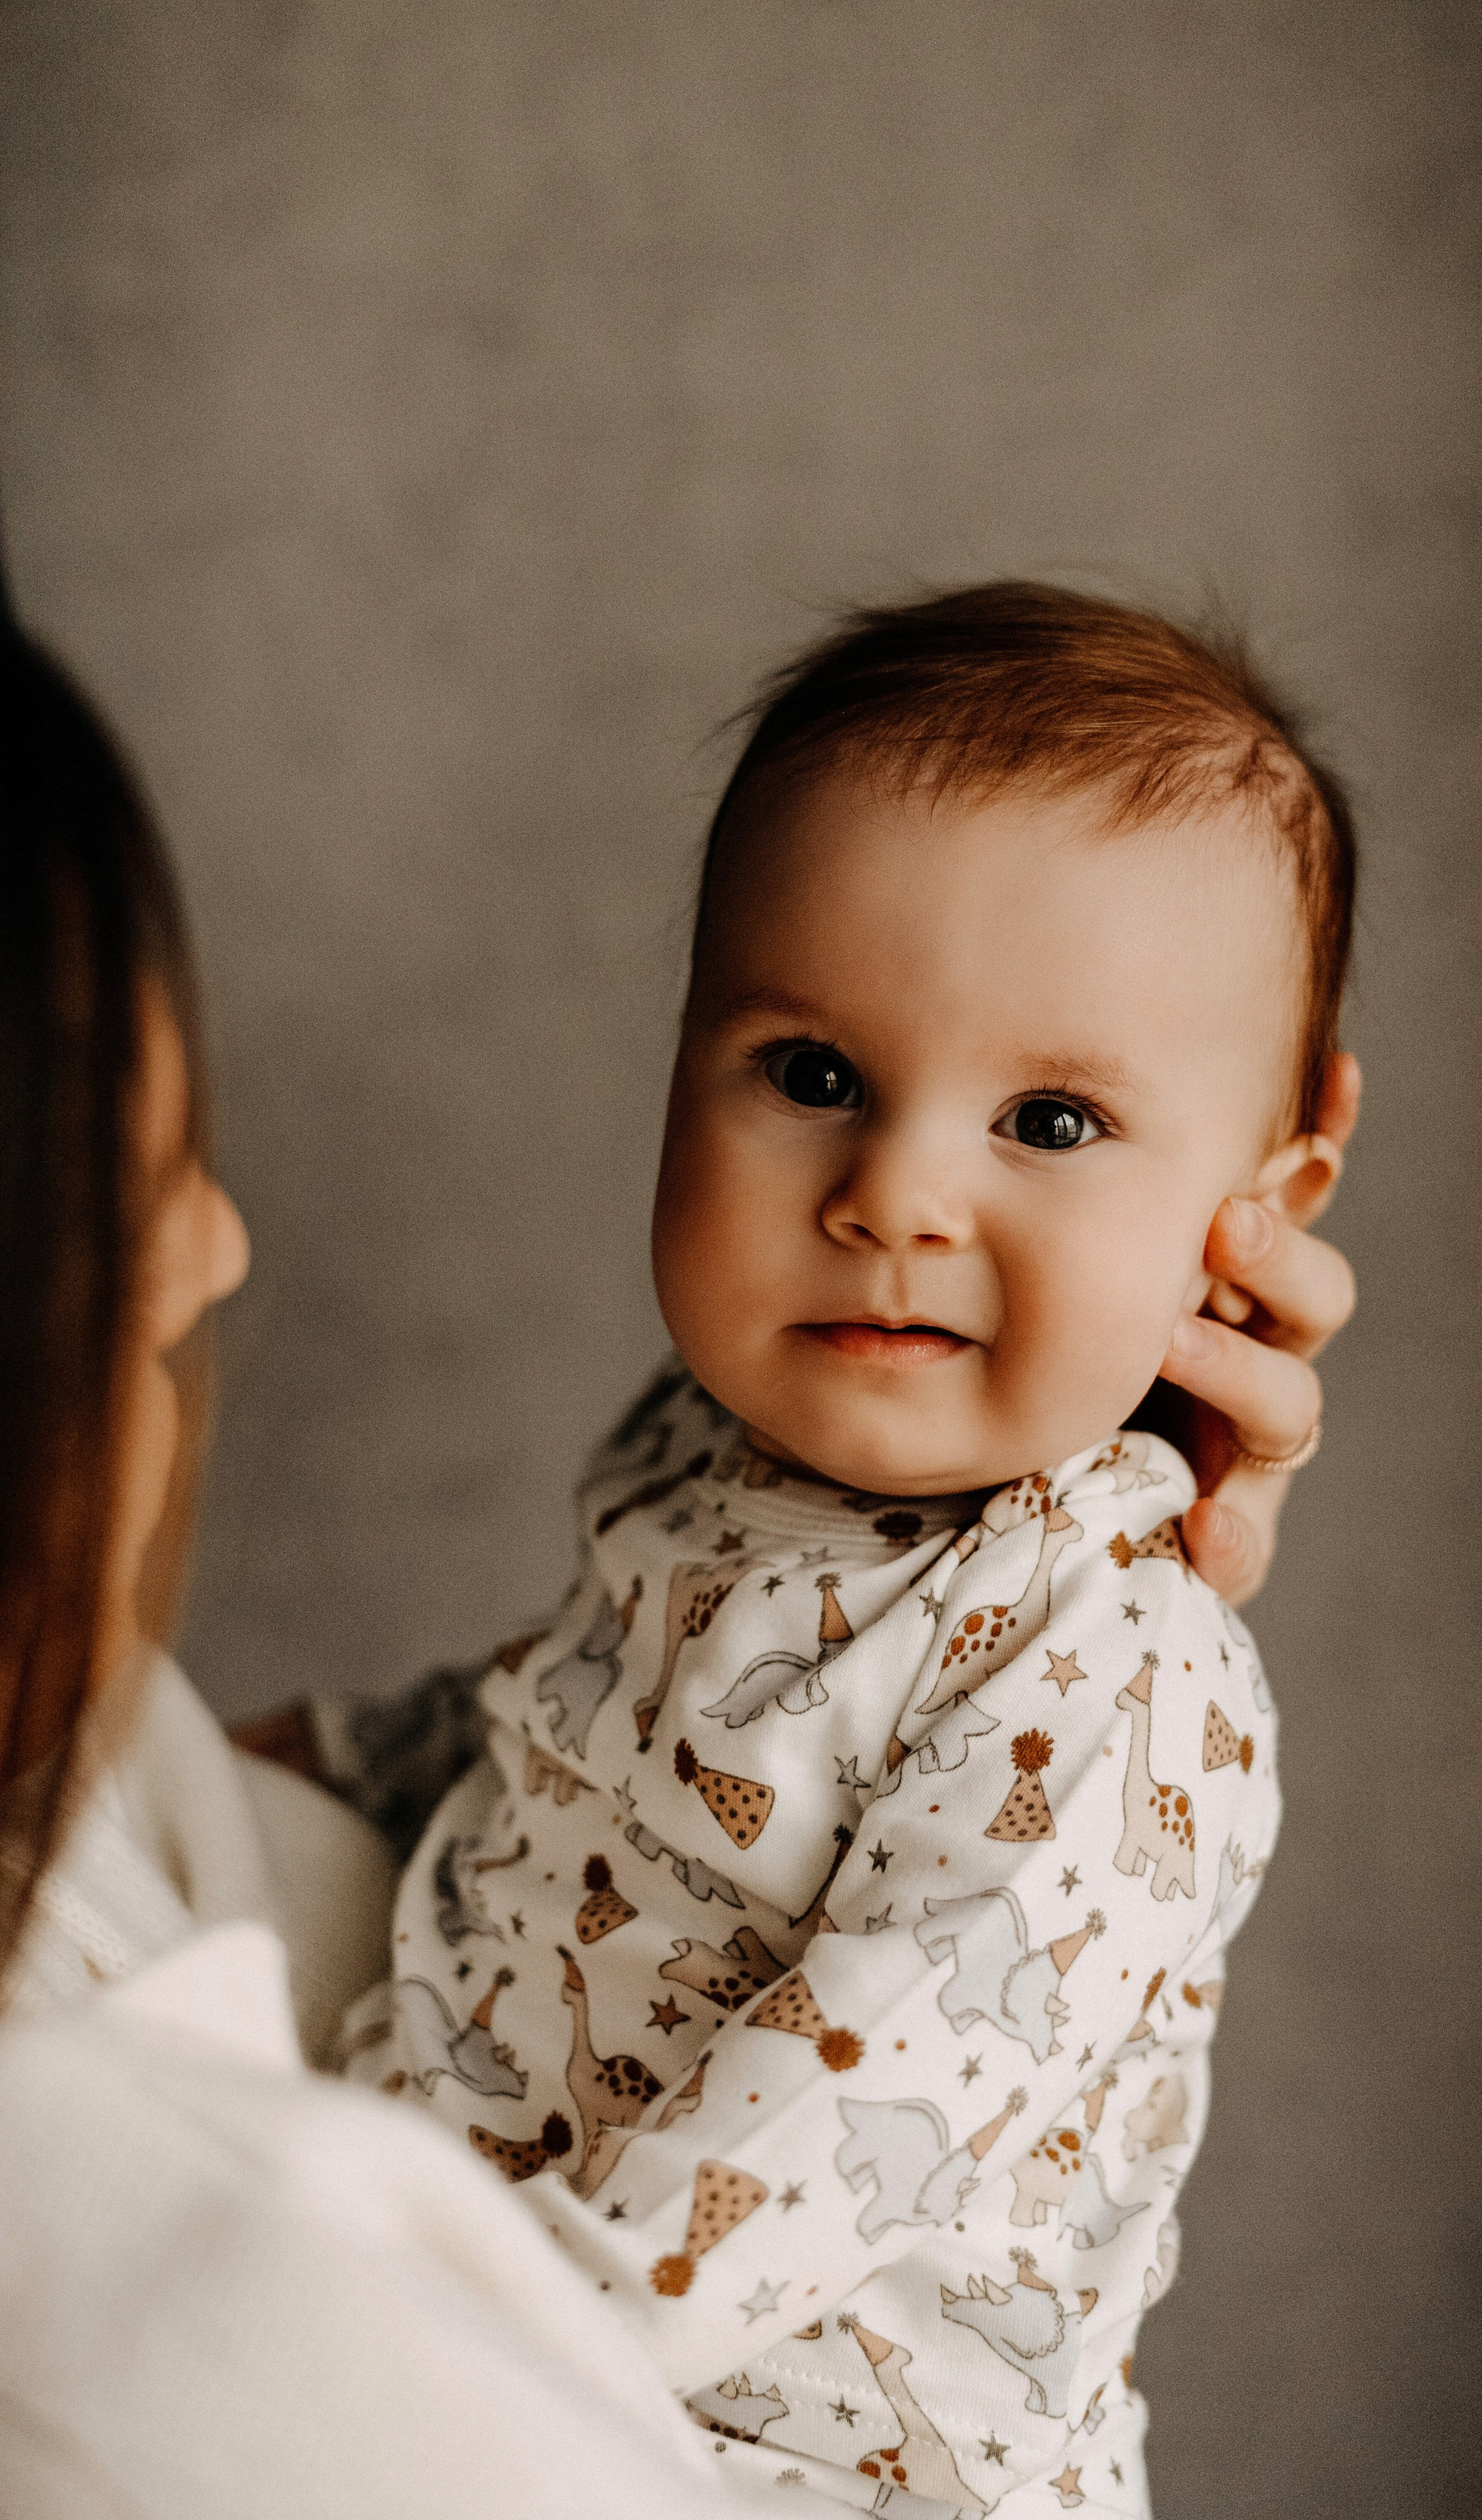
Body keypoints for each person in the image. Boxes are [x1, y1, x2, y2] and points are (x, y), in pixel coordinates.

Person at [342, 584, 1360, 2517]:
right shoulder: (697, 1447)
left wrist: (444, 2351)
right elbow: (564, 1734)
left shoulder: (1112, 1676)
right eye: (815, 1075)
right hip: (497, 2322)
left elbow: (845, 2120)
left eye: (1049, 1118)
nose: (896, 1196)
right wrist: (324, 1761)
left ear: (1258, 1208)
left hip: (773, 2449)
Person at [0, 615, 736, 2517]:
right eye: (104, 1189)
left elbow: (526, 1760)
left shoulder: (102, 1760)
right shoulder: (190, 2315)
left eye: (1051, 1123)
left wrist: (1005, 1627)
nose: (216, 1249)